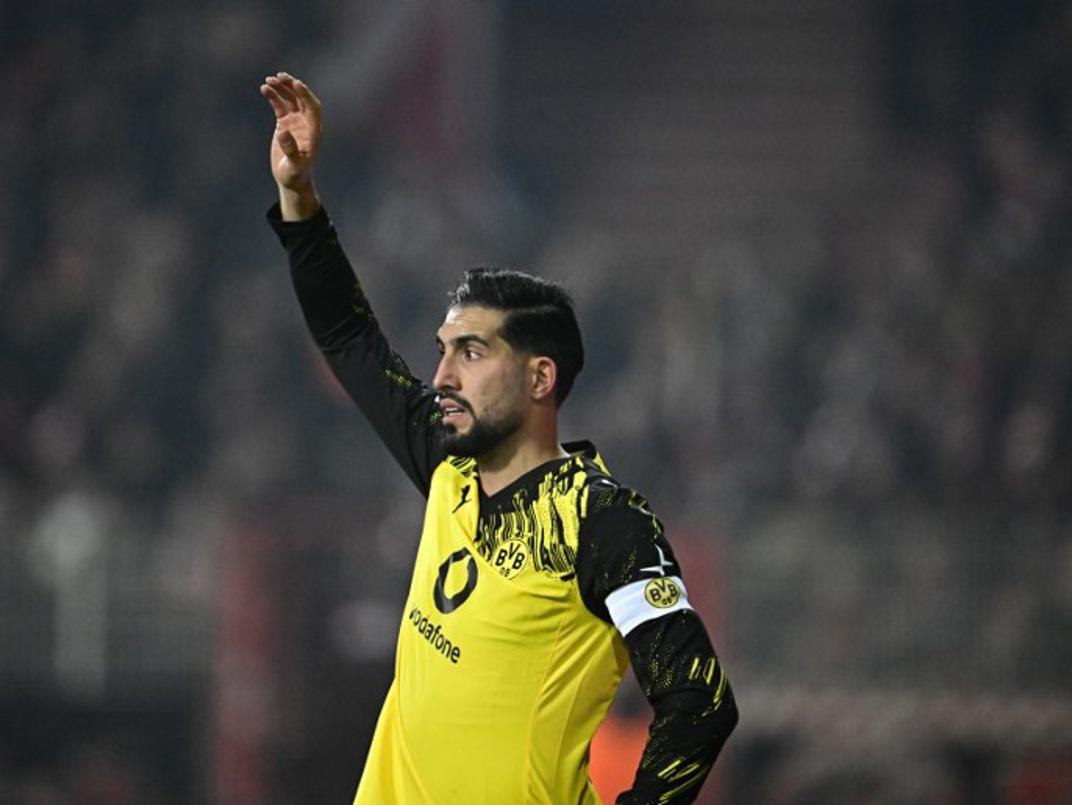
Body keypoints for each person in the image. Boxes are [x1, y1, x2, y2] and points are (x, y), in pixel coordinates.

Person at [260, 71, 737, 804]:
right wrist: (299, 196)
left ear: (541, 377)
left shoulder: (603, 524)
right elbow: (350, 337)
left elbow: (699, 700)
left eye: (472, 353)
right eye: (445, 349)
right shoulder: (447, 466)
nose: (442, 372)